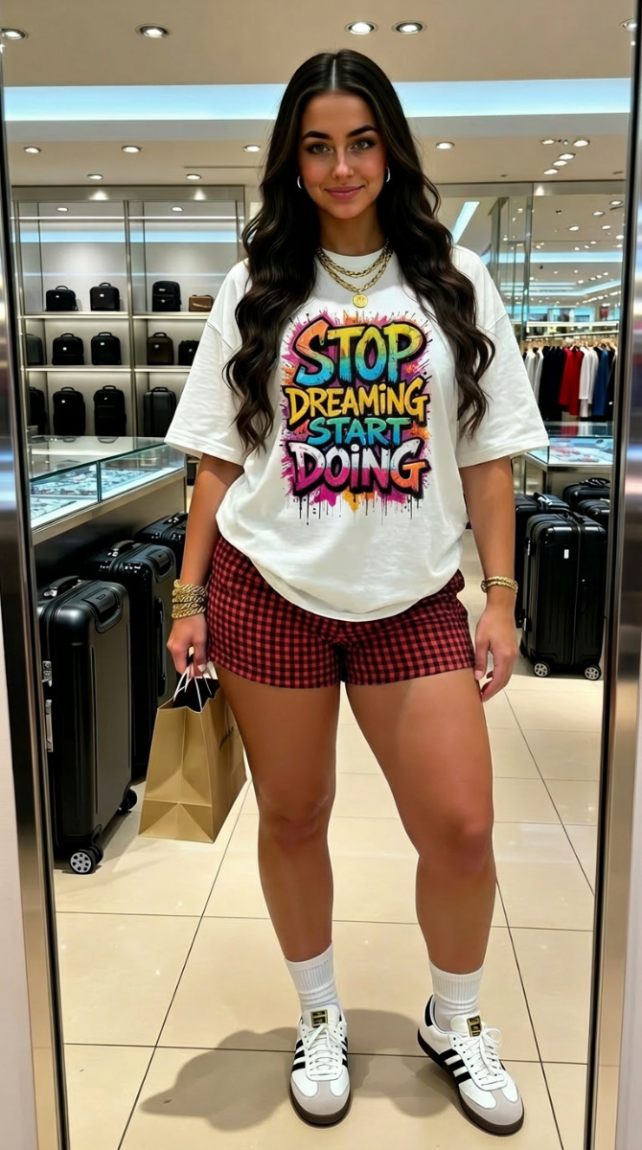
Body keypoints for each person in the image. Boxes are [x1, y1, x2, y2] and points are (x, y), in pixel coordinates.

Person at [165, 48, 548, 1136]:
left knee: (462, 827)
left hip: (412, 597)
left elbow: (489, 454)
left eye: (362, 142)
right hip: (269, 588)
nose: (342, 167)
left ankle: (455, 1020)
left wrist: (500, 594)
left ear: (392, 150)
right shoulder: (256, 287)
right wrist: (189, 598)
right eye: (319, 146)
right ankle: (320, 1013)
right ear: (293, 160)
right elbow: (218, 456)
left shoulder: (456, 280)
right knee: (295, 815)